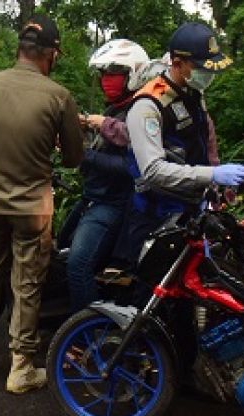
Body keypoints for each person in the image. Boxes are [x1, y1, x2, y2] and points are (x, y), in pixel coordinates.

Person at [0, 15, 84, 393]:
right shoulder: (58, 97)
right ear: (51, 55)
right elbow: (75, 158)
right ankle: (20, 367)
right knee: (27, 283)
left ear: (20, 51)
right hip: (32, 209)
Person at [111, 22, 244, 270]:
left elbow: (198, 146)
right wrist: (211, 174)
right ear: (177, 63)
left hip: (189, 213)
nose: (206, 76)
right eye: (200, 68)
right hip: (156, 217)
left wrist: (216, 183)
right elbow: (152, 171)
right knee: (151, 298)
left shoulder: (192, 93)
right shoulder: (148, 106)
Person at [62, 39, 149, 311]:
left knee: (78, 265)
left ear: (133, 74)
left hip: (112, 205)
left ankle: (88, 334)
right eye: (103, 75)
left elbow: (129, 166)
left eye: (113, 74)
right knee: (61, 247)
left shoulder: (139, 112)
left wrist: (83, 154)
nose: (106, 80)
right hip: (92, 199)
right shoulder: (114, 110)